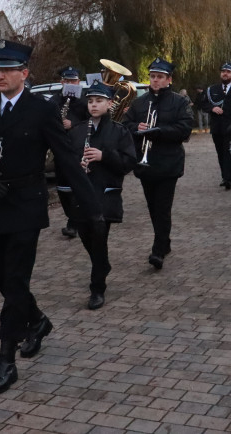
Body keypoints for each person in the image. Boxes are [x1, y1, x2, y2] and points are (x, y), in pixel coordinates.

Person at [0, 40, 103, 396]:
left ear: (24, 73)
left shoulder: (41, 110)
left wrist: (91, 206)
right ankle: (38, 321)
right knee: (3, 279)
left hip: (26, 205)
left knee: (14, 282)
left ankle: (5, 360)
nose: (0, 75)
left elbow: (66, 160)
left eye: (8, 69)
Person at [64, 81, 137, 310]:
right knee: (87, 236)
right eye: (91, 101)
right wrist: (78, 165)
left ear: (109, 104)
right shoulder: (77, 131)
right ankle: (103, 264)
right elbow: (65, 161)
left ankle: (97, 288)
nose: (94, 105)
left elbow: (128, 163)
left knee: (99, 235)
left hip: (105, 194)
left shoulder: (119, 131)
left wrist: (104, 156)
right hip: (83, 194)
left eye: (99, 101)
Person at [122, 57, 194, 270]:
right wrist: (137, 127)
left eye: (160, 77)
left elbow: (185, 129)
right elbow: (126, 126)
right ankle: (165, 241)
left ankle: (158, 249)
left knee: (163, 207)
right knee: (153, 206)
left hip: (168, 162)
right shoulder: (139, 102)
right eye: (153, 77)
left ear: (169, 80)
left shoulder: (179, 102)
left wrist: (159, 131)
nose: (155, 81)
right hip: (146, 163)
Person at [46, 65, 89, 238]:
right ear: (61, 82)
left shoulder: (85, 101)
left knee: (77, 185)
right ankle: (72, 217)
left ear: (78, 82)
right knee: (62, 188)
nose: (70, 83)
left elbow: (92, 123)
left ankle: (74, 223)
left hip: (78, 149)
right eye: (67, 81)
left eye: (73, 81)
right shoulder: (54, 101)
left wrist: (74, 124)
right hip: (59, 149)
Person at [198, 62, 231, 189]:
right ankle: (225, 175)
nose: (225, 74)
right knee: (220, 152)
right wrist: (212, 108)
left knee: (230, 152)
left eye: (228, 72)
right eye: (223, 71)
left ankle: (228, 177)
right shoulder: (212, 89)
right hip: (217, 127)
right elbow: (203, 104)